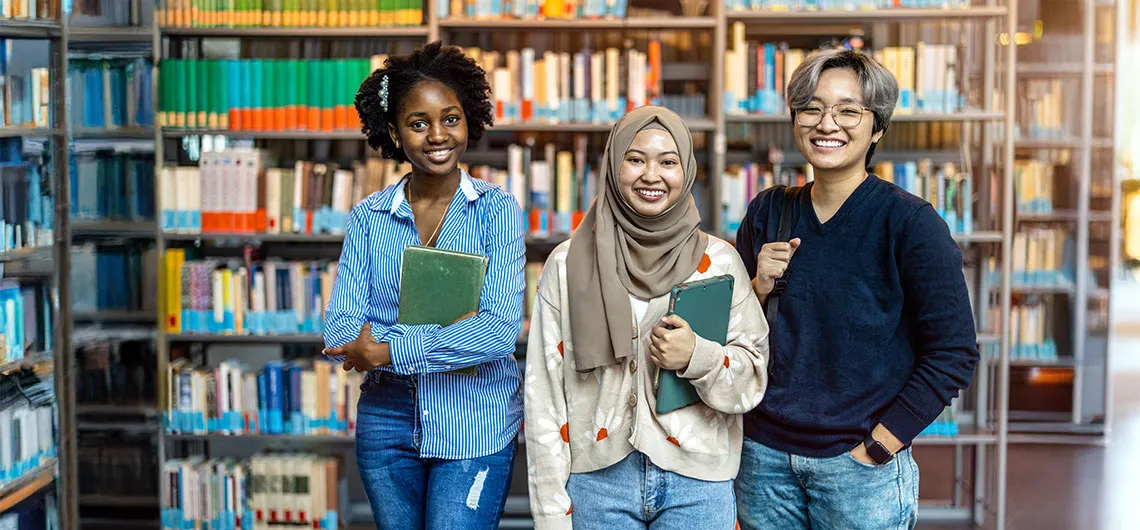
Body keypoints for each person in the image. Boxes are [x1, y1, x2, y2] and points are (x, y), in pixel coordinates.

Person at [733, 48, 979, 529]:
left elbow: (954, 352)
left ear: (877, 128)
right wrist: (757, 288)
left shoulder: (910, 223)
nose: (828, 123)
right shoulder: (767, 213)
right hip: (763, 460)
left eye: (848, 110)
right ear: (796, 119)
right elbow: (730, 335)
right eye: (812, 108)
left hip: (859, 469)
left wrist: (883, 443)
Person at [524, 105, 770, 530]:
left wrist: (698, 356)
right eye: (635, 159)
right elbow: (544, 396)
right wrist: (550, 513)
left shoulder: (719, 263)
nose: (651, 175)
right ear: (613, 165)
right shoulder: (566, 265)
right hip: (597, 484)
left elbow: (752, 382)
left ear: (687, 170)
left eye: (668, 161)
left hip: (698, 484)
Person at [322, 41, 525, 530]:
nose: (438, 135)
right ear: (394, 132)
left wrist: (388, 349)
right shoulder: (369, 217)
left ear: (469, 121)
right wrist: (450, 334)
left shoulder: (498, 212)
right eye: (419, 123)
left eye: (450, 119)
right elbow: (340, 325)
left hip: (476, 419)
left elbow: (496, 332)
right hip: (386, 421)